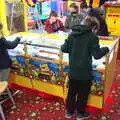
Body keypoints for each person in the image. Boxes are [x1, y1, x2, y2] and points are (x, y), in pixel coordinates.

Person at [61, 16, 109, 120]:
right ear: (93, 27)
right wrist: (105, 49)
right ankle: (80, 114)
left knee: (72, 92)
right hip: (85, 72)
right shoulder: (92, 37)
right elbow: (97, 55)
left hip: (73, 70)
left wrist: (71, 44)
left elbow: (64, 48)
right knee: (83, 94)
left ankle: (69, 112)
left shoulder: (72, 34)